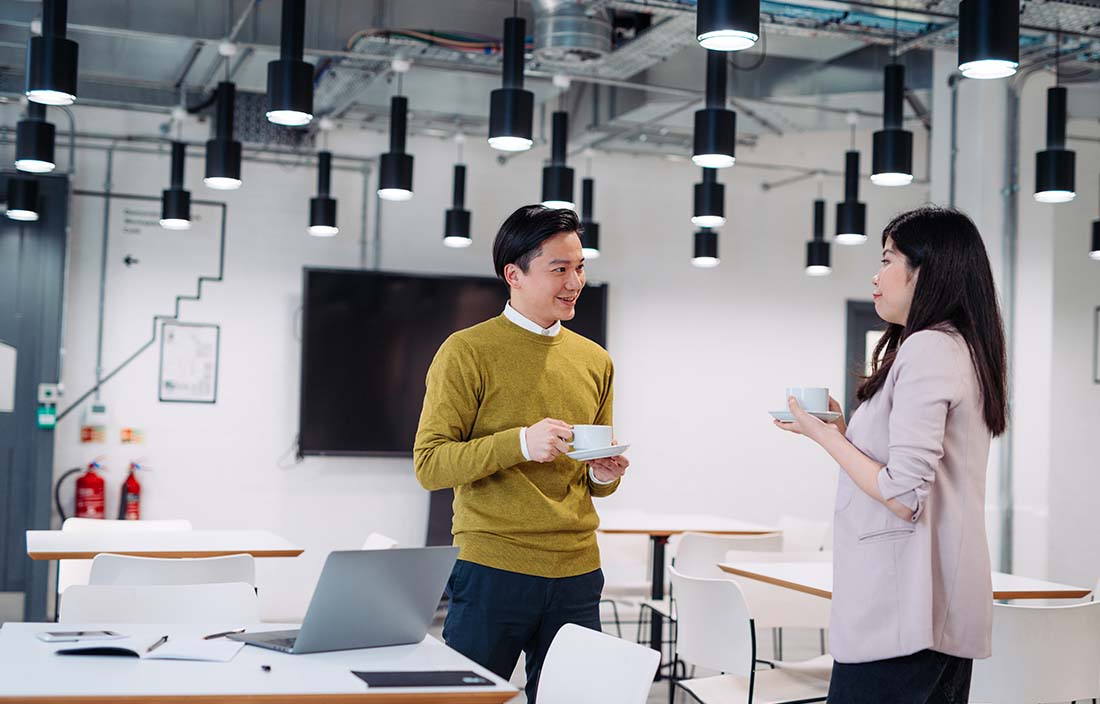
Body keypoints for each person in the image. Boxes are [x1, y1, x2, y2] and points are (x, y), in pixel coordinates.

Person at [775, 206, 1007, 703]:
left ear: (927, 270)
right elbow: (911, 470)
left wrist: (825, 438)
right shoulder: (957, 346)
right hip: (931, 606)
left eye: (887, 259)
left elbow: (903, 493)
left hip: (904, 609)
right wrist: (841, 429)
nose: (876, 276)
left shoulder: (927, 348)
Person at [413, 205, 629, 702]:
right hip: (493, 570)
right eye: (559, 269)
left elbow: (592, 480)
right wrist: (519, 444)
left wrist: (604, 474)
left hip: (577, 571)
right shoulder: (466, 351)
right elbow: (430, 464)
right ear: (514, 274)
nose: (574, 281)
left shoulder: (595, 360)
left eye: (580, 268)